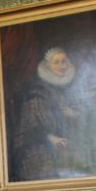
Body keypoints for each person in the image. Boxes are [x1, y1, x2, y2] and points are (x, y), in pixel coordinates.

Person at [9, 46, 86, 181]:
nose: (61, 66)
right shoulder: (38, 89)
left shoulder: (71, 87)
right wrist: (50, 137)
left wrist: (74, 114)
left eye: (64, 61)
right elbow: (29, 124)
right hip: (38, 146)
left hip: (68, 144)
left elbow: (82, 113)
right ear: (48, 66)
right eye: (56, 62)